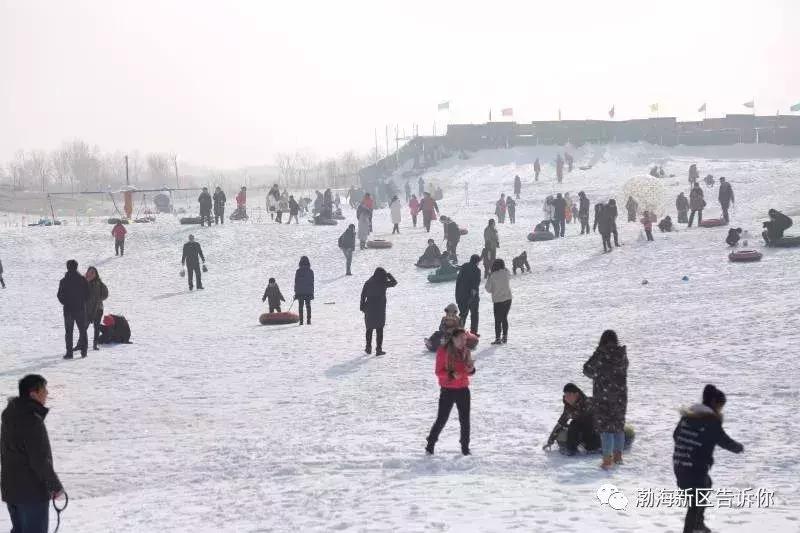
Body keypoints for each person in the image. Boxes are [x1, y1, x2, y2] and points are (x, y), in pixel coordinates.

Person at [674, 385, 744, 533]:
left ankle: (698, 524)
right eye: (720, 406)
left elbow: (676, 435)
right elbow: (723, 440)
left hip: (680, 464)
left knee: (705, 486)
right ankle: (693, 527)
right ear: (714, 402)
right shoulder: (710, 421)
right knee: (695, 502)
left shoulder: (688, 416)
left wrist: (690, 445)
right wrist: (738, 447)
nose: (720, 410)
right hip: (695, 467)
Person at [1, 375, 64, 532]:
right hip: (31, 493)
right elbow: (39, 459)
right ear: (33, 393)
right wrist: (55, 486)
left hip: (12, 490)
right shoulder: (31, 421)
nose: (47, 393)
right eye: (44, 389)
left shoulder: (10, 415)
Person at [425, 329, 475, 456]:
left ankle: (465, 447)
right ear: (453, 338)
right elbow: (438, 372)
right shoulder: (443, 351)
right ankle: (430, 443)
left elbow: (470, 370)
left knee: (465, 420)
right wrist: (451, 375)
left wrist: (471, 369)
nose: (463, 341)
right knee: (442, 418)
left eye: (465, 339)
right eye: (460, 339)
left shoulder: (466, 351)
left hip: (463, 389)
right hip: (448, 390)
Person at [583, 330, 628, 469]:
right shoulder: (622, 355)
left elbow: (587, 370)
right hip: (620, 396)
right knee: (618, 425)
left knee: (606, 428)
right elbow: (624, 369)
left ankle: (607, 460)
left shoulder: (600, 354)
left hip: (603, 396)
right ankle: (618, 456)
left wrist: (598, 374)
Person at [543, 383, 601, 455]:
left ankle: (593, 446)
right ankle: (571, 449)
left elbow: (600, 421)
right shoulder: (568, 407)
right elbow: (561, 423)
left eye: (569, 395)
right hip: (580, 430)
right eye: (565, 395)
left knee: (589, 428)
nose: (566, 398)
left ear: (576, 394)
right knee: (573, 425)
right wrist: (550, 441)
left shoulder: (588, 403)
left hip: (594, 430)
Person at [360, 267, 397, 355]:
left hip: (369, 308)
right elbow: (394, 283)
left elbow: (363, 295)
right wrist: (389, 275)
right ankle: (378, 349)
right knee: (379, 330)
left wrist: (362, 306)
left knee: (369, 329)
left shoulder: (368, 282)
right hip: (380, 309)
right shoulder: (383, 282)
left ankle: (368, 348)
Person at [57, 259, 89, 359]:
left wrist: (66, 303)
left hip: (68, 310)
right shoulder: (82, 280)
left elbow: (59, 295)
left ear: (67, 267)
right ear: (76, 267)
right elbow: (88, 294)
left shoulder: (64, 281)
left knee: (69, 332)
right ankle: (84, 352)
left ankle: (69, 353)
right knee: (82, 330)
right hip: (80, 309)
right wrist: (82, 302)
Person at [485, 258, 512, 345]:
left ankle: (498, 338)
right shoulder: (506, 272)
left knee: (498, 320)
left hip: (498, 300)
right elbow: (509, 276)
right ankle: (505, 337)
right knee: (504, 318)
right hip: (508, 298)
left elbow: (488, 289)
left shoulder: (492, 275)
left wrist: (489, 278)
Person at [455, 254, 481, 335]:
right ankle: (473, 332)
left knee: (463, 314)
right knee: (474, 314)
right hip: (471, 296)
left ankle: (459, 332)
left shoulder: (463, 267)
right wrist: (472, 296)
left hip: (460, 295)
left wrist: (457, 295)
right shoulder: (476, 270)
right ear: (477, 261)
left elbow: (458, 281)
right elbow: (475, 284)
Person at [85, 267, 108, 352]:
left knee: (96, 327)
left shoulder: (99, 283)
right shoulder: (84, 282)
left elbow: (106, 294)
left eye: (93, 272)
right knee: (84, 327)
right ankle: (81, 344)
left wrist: (98, 299)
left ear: (96, 274)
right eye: (89, 272)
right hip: (87, 309)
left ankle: (95, 344)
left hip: (98, 309)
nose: (91, 274)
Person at [294, 256, 314, 326]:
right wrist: (312, 293)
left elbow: (296, 282)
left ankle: (301, 321)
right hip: (308, 292)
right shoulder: (311, 271)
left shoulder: (298, 271)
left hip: (300, 292)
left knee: (300, 307)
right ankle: (308, 321)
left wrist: (295, 292)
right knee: (308, 306)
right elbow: (312, 282)